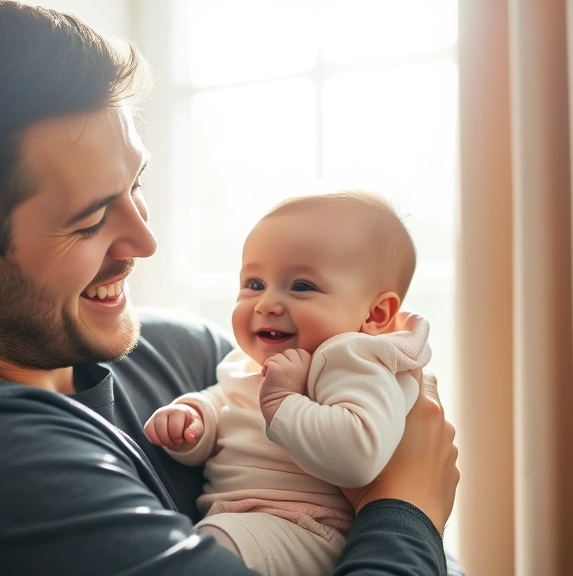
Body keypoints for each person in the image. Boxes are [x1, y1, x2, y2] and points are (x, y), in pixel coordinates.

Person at [0, 1, 460, 575]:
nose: (144, 241)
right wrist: (408, 506)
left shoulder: (182, 356)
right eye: (88, 221)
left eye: (135, 186)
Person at [144, 192, 433, 575]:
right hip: (254, 523)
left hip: (310, 529)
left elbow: (359, 455)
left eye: (300, 286)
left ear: (376, 314)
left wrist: (283, 400)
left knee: (201, 553)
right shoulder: (245, 362)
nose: (266, 304)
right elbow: (229, 403)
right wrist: (195, 418)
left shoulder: (352, 360)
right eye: (254, 283)